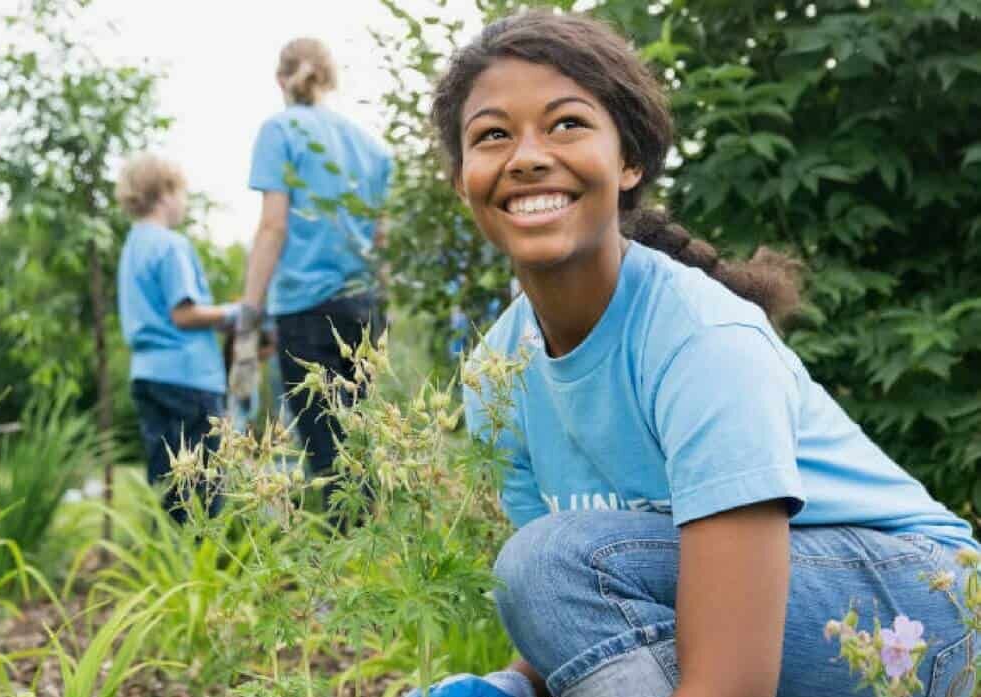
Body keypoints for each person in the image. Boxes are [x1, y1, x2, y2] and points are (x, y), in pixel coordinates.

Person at [414, 10, 978, 697]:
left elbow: (730, 675)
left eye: (567, 124)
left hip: (933, 605)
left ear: (629, 162)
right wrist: (514, 685)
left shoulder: (702, 340)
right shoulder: (497, 374)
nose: (528, 155)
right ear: (461, 179)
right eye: (492, 135)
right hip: (782, 615)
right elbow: (587, 608)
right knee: (536, 565)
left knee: (542, 558)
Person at [238, 37, 392, 508]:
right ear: (330, 78)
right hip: (366, 309)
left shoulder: (279, 131)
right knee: (364, 446)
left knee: (326, 457)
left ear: (281, 80)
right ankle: (373, 561)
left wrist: (250, 310)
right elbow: (382, 241)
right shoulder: (371, 147)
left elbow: (273, 225)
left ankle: (341, 570)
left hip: (305, 312)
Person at [115, 153, 237, 523]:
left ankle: (169, 571)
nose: (184, 202)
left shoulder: (133, 245)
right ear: (165, 193)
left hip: (148, 376)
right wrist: (235, 313)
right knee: (203, 491)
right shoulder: (171, 246)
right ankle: (201, 575)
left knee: (168, 487)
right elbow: (184, 314)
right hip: (188, 378)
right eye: (182, 193)